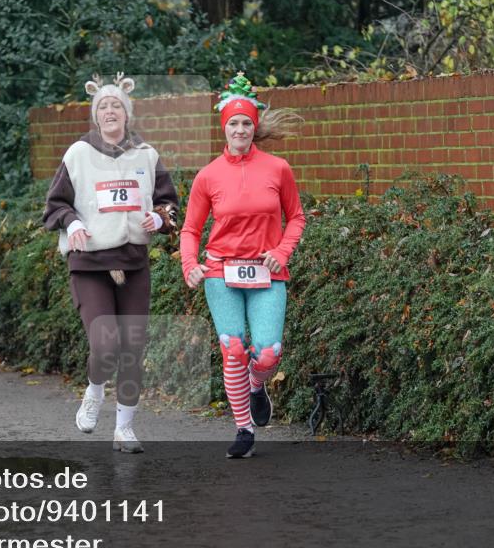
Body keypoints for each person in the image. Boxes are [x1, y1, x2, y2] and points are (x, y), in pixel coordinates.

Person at [43, 73, 179, 453]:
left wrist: (160, 218)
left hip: (133, 262)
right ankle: (94, 389)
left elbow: (169, 203)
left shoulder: (147, 155)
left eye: (116, 105)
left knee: (132, 347)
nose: (109, 111)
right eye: (102, 106)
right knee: (105, 344)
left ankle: (124, 429)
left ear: (127, 113)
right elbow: (55, 205)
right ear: (94, 115)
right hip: (90, 262)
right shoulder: (78, 153)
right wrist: (74, 223)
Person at [180, 72, 306, 458]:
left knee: (268, 353)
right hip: (221, 271)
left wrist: (281, 252)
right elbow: (190, 229)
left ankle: (256, 385)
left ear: (255, 127)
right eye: (233, 123)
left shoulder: (278, 168)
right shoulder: (208, 176)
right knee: (232, 347)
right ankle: (243, 429)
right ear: (224, 127)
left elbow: (297, 218)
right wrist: (190, 265)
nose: (239, 129)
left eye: (246, 123)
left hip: (268, 272)